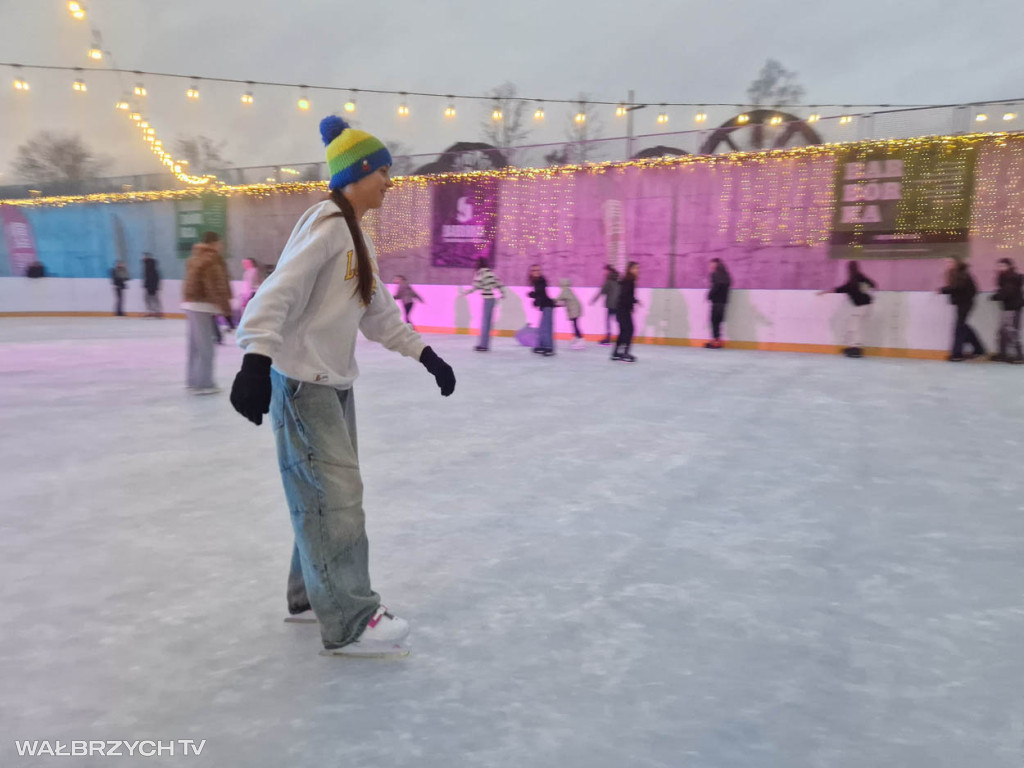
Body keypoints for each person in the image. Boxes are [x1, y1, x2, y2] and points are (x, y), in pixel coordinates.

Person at [230, 115, 456, 658]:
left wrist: (427, 355)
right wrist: (255, 362)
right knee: (338, 499)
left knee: (322, 496)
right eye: (382, 171)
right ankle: (350, 621)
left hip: (331, 384)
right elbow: (273, 295)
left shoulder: (355, 234)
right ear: (356, 174)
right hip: (305, 383)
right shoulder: (329, 226)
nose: (389, 182)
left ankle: (310, 594)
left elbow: (377, 315)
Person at [181, 232, 232, 393]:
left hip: (190, 304)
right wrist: (227, 311)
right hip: (202, 305)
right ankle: (204, 383)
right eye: (220, 243)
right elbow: (215, 286)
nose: (221, 246)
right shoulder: (211, 260)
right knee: (206, 348)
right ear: (214, 243)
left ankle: (193, 380)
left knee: (195, 346)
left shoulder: (194, 258)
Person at [817, 260, 876, 358]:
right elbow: (873, 285)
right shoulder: (859, 278)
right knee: (853, 325)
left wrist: (825, 292)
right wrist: (870, 293)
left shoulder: (854, 280)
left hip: (861, 306)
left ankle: (856, 347)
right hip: (865, 305)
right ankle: (854, 346)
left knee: (853, 326)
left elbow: (840, 289)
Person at [939, 259, 986, 362]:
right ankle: (979, 349)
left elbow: (957, 287)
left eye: (950, 262)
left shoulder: (962, 274)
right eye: (947, 262)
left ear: (956, 263)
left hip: (965, 304)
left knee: (959, 328)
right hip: (962, 303)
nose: (948, 264)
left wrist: (942, 290)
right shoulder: (956, 274)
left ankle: (957, 354)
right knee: (962, 326)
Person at [461, 257, 507, 351]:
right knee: (488, 323)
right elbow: (498, 283)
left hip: (487, 299)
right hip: (492, 299)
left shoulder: (480, 273)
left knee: (485, 323)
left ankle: (483, 345)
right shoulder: (490, 272)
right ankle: (485, 345)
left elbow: (476, 286)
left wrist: (466, 292)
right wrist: (503, 293)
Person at [990, 257, 1023, 363]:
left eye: (1002, 266)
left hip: (1012, 308)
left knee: (1011, 331)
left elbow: (1008, 292)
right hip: (1008, 307)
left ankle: (1019, 355)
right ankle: (1002, 353)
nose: (1000, 268)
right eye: (999, 266)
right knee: (1003, 331)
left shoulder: (1011, 277)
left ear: (1009, 266)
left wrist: (996, 296)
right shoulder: (1005, 277)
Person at [612, 261, 640, 362]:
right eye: (635, 268)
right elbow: (625, 296)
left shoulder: (627, 280)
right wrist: (630, 307)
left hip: (621, 309)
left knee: (624, 331)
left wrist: (635, 301)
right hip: (623, 310)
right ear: (630, 269)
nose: (638, 270)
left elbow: (627, 296)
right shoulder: (630, 280)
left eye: (638, 268)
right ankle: (625, 353)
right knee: (629, 330)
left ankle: (615, 353)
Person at [527, 264, 556, 356]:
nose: (536, 272)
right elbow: (539, 294)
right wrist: (535, 298)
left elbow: (541, 293)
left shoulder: (541, 280)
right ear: (531, 272)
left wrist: (533, 296)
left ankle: (548, 347)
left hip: (547, 305)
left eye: (538, 270)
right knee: (542, 328)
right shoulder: (536, 281)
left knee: (546, 328)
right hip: (545, 306)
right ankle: (541, 345)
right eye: (534, 270)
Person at [590, 265, 620, 345]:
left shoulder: (609, 281)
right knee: (618, 320)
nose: (604, 273)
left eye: (605, 271)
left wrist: (594, 300)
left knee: (608, 321)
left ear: (609, 271)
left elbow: (602, 292)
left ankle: (608, 338)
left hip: (611, 304)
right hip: (618, 304)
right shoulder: (618, 280)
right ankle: (621, 337)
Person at [705, 258, 731, 349]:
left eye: (712, 265)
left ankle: (715, 340)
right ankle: (718, 339)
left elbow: (715, 286)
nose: (711, 267)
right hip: (723, 302)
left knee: (714, 321)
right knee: (719, 321)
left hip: (716, 301)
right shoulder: (727, 275)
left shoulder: (714, 274)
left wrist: (709, 295)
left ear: (716, 265)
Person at [555, 278, 585, 350]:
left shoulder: (564, 291)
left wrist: (550, 301)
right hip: (576, 308)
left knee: (575, 325)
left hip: (574, 309)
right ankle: (576, 337)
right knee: (574, 324)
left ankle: (580, 340)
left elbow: (558, 299)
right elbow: (565, 301)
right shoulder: (568, 290)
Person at [141, 253, 162, 318]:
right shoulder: (150, 266)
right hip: (151, 285)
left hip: (151, 285)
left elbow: (151, 277)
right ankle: (155, 311)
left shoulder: (148, 266)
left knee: (150, 299)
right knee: (152, 299)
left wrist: (150, 285)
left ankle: (154, 311)